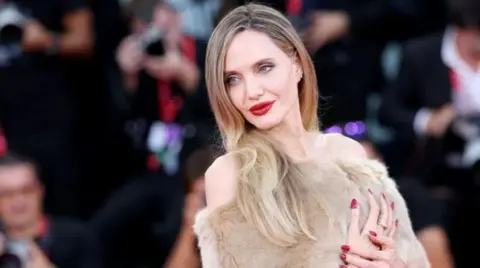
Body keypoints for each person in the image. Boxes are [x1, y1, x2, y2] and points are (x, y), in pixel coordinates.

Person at [193, 3, 429, 268]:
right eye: (232, 79)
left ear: (296, 65)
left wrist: (392, 263)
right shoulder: (228, 175)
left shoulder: (347, 154)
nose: (251, 91)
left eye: (264, 68)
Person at [0, 153, 102, 268]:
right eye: (7, 194)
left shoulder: (77, 239)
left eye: (27, 190)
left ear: (41, 191)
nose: (19, 201)